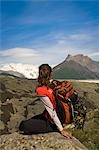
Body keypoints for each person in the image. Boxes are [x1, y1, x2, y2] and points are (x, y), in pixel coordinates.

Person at [19, 64, 72, 138]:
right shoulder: (55, 83)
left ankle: (53, 128)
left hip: (53, 121)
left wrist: (61, 130)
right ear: (50, 74)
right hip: (61, 116)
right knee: (33, 119)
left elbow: (52, 111)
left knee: (23, 125)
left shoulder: (41, 90)